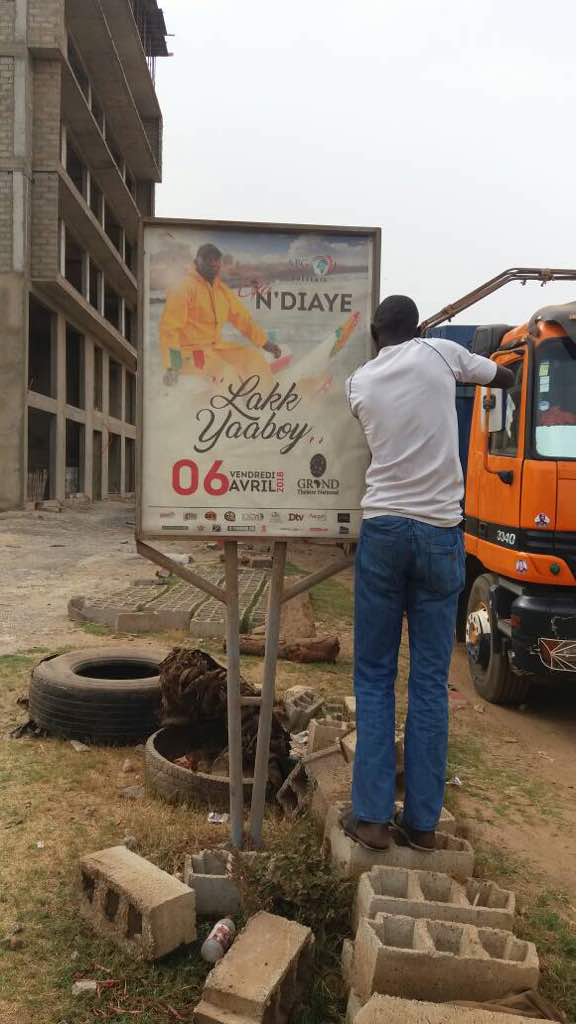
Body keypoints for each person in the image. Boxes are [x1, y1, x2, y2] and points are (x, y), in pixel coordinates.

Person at [343, 295, 514, 852]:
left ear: (375, 334)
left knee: (373, 676)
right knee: (429, 682)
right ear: (418, 328)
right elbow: (501, 378)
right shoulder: (442, 353)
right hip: (441, 533)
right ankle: (421, 824)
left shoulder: (360, 383)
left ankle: (370, 818)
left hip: (386, 530)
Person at [159, 244, 281, 388]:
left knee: (253, 358)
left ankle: (263, 401)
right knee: (226, 372)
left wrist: (266, 343)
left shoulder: (221, 290)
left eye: (216, 259)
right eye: (207, 259)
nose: (212, 263)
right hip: (190, 353)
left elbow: (242, 319)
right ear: (197, 261)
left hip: (216, 349)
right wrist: (173, 366)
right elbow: (169, 329)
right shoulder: (183, 288)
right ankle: (228, 406)